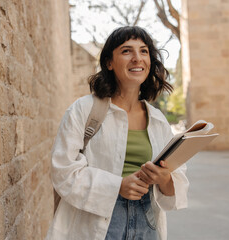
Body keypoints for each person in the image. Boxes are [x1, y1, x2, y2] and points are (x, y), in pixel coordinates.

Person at [46, 26, 189, 240]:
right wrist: (118, 186)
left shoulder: (158, 120)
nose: (137, 58)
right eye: (126, 51)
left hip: (147, 220)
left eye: (143, 51)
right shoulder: (84, 110)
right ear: (109, 63)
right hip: (97, 221)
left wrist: (164, 178)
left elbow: (177, 182)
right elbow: (63, 170)